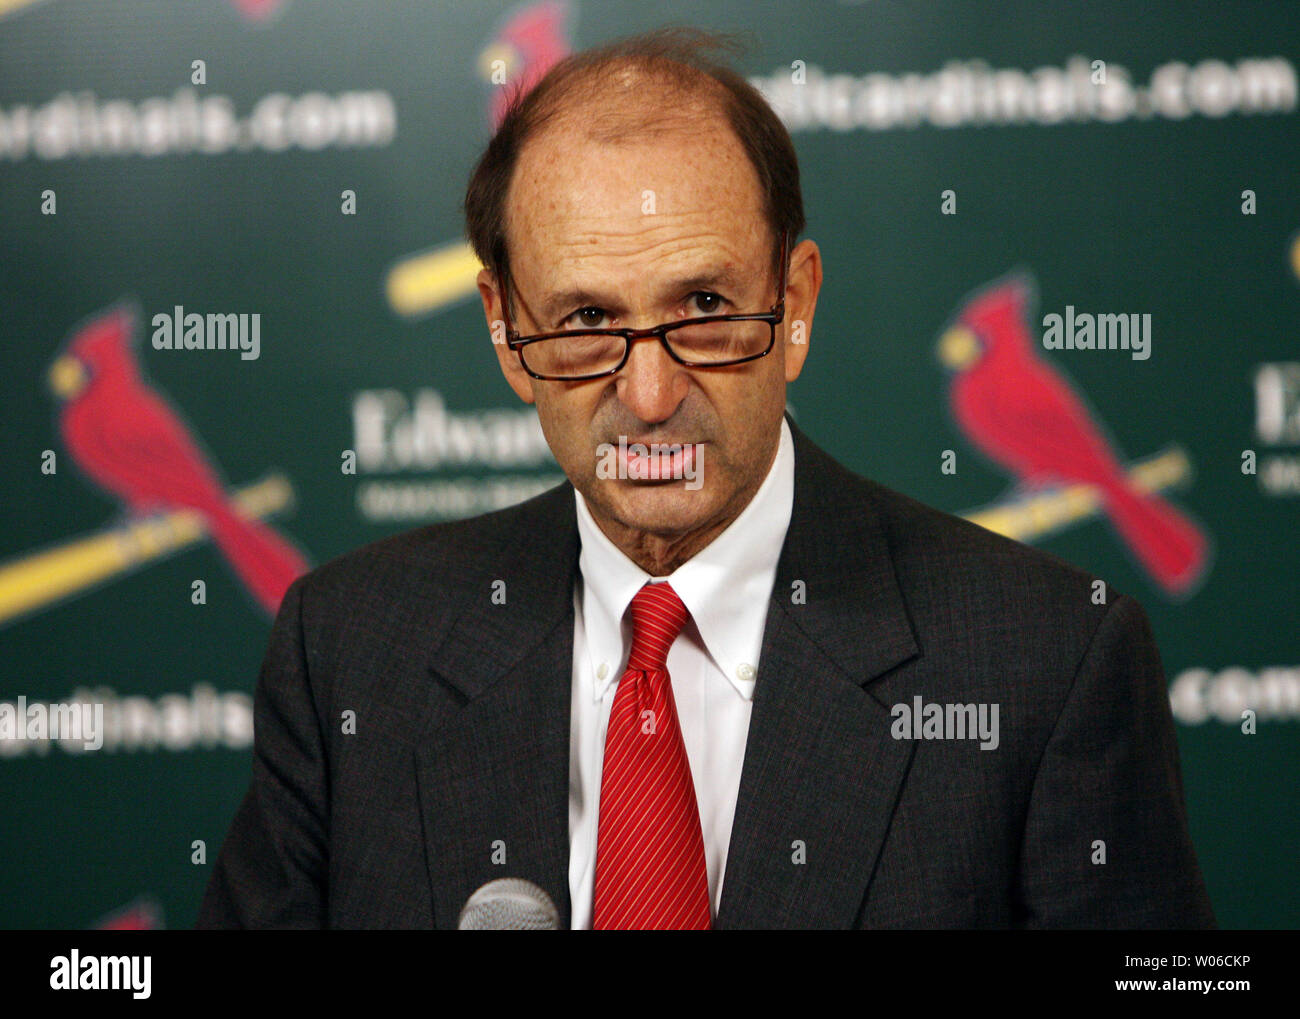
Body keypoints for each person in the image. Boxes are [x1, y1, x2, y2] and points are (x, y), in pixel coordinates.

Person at [197, 27, 1215, 930]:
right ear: (506, 335)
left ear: (797, 300)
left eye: (703, 305)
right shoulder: (349, 652)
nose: (647, 393)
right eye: (587, 321)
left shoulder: (1047, 665)